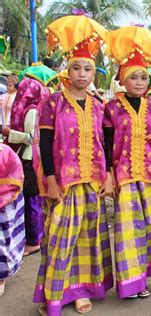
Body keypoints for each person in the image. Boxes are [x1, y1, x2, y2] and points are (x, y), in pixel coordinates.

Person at [33, 32, 114, 315]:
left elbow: (104, 143)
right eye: (77, 68)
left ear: (95, 73)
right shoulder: (53, 102)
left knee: (86, 240)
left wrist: (108, 175)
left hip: (91, 182)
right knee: (59, 239)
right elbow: (45, 144)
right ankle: (55, 295)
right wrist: (51, 181)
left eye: (88, 69)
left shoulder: (97, 105)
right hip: (63, 185)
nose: (82, 74)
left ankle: (80, 291)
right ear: (67, 70)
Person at [104, 26, 151, 299]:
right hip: (125, 176)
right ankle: (129, 283)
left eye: (144, 77)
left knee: (149, 227)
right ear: (122, 80)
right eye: (134, 77)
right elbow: (106, 144)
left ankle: (142, 280)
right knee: (128, 229)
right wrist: (109, 173)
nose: (140, 82)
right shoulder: (112, 108)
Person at [2, 67, 55, 257]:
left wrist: (7, 133)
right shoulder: (33, 108)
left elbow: (31, 137)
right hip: (29, 158)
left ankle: (34, 241)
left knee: (32, 200)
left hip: (29, 159)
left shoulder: (32, 110)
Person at [0, 143, 25, 297]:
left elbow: (14, 179)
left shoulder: (5, 152)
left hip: (4, 204)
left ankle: (1, 277)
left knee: (2, 242)